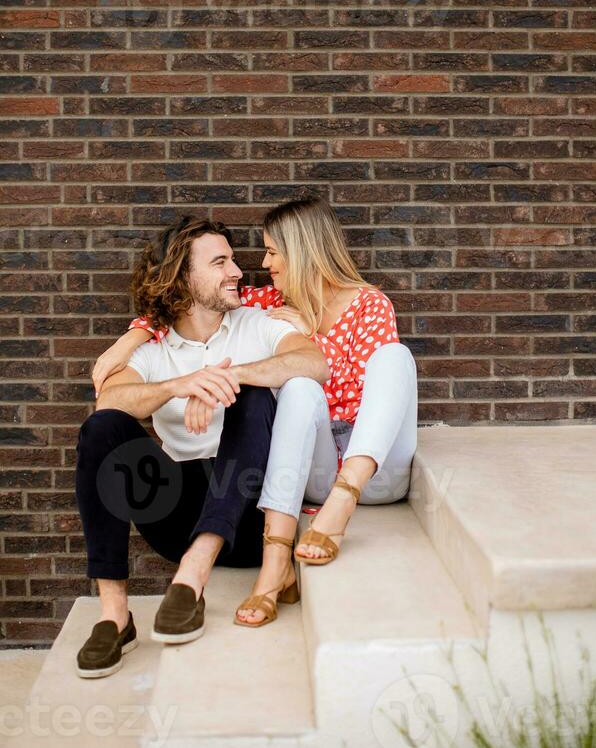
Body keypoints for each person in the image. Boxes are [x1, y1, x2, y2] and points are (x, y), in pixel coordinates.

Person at [94, 197, 418, 628]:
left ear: (302, 251)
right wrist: (132, 339)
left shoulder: (369, 305)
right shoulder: (266, 302)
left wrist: (227, 377)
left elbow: (375, 389)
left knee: (395, 357)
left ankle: (344, 500)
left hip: (377, 463)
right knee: (300, 387)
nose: (262, 264)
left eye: (272, 251)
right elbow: (187, 301)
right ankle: (277, 559)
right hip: (317, 469)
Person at [74, 215, 328, 677]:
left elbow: (313, 363)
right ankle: (114, 617)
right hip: (178, 512)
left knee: (253, 395)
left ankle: (193, 576)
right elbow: (109, 399)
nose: (237, 271)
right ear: (184, 277)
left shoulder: (257, 324)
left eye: (233, 260)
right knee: (102, 428)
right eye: (221, 262)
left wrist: (229, 377)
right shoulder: (154, 351)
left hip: (253, 512)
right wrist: (181, 384)